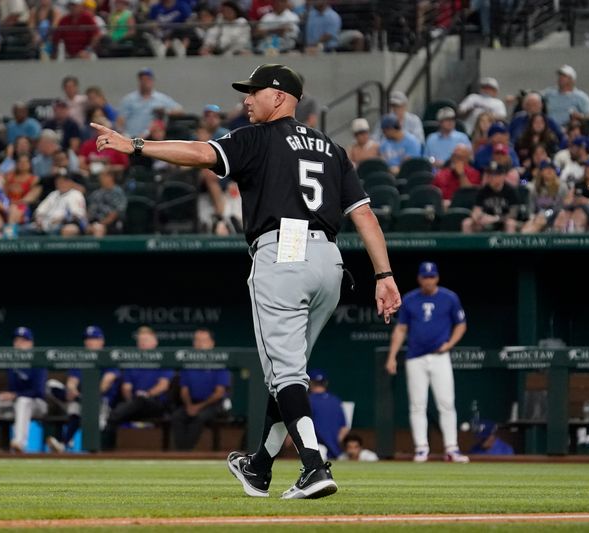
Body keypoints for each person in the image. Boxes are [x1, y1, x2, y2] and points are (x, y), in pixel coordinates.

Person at [90, 64, 400, 499]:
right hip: (330, 260)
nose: (246, 99)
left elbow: (200, 154)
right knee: (285, 373)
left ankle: (314, 465)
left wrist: (136, 145)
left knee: (285, 372)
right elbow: (363, 214)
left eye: (254, 91)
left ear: (279, 97)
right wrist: (384, 275)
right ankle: (259, 468)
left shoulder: (257, 137)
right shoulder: (331, 147)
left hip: (283, 252)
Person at [385, 262, 469, 463]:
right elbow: (401, 329)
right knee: (417, 404)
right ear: (419, 278)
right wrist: (392, 356)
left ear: (437, 278)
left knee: (446, 403)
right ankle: (421, 448)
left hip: (440, 356)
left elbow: (461, 325)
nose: (428, 280)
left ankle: (451, 448)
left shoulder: (449, 297)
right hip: (416, 357)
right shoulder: (410, 299)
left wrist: (450, 344)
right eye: (425, 277)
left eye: (432, 277)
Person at [46, 326, 121, 453]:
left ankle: (66, 442)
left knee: (91, 419)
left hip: (101, 403)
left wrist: (88, 397)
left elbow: (106, 383)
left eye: (93, 338)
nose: (90, 342)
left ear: (101, 341)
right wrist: (72, 389)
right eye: (87, 339)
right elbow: (72, 381)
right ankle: (65, 443)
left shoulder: (109, 358)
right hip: (79, 400)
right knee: (52, 385)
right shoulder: (81, 358)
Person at [102, 326, 173, 451]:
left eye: (146, 340)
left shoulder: (163, 358)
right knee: (117, 414)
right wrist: (131, 400)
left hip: (156, 405)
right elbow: (126, 388)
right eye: (140, 341)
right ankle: (107, 452)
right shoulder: (133, 361)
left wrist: (147, 394)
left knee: (138, 401)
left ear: (155, 341)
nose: (143, 344)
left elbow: (163, 385)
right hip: (135, 404)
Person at [171, 328, 231, 451]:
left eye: (204, 340)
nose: (200, 344)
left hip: (213, 405)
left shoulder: (220, 364)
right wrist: (189, 405)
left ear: (211, 343)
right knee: (177, 416)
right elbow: (184, 390)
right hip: (191, 402)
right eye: (197, 340)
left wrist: (198, 407)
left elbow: (219, 393)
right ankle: (179, 453)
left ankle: (186, 453)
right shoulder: (188, 364)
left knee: (199, 418)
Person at [117, 68, 183, 138]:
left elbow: (180, 110)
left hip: (151, 139)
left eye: (148, 79)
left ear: (152, 81)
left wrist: (165, 111)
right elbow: (120, 120)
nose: (145, 82)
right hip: (131, 137)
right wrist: (122, 134)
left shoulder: (161, 98)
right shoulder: (129, 99)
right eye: (143, 79)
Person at [462, 162, 520, 233]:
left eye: (495, 175)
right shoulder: (483, 190)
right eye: (489, 174)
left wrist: (496, 218)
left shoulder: (510, 190)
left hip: (503, 221)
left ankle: (509, 244)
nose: (491, 178)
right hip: (486, 220)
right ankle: (471, 244)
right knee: (467, 223)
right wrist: (476, 217)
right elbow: (477, 209)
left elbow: (513, 214)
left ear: (503, 176)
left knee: (510, 223)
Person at [554, 157, 589, 233]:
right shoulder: (579, 184)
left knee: (579, 214)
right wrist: (574, 201)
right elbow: (566, 201)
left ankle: (575, 240)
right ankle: (558, 240)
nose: (587, 169)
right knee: (562, 215)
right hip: (577, 208)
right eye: (586, 166)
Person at [306, 369, 348, 461]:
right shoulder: (336, 400)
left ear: (310, 383)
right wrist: (334, 443)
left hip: (317, 450)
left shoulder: (308, 400)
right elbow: (344, 429)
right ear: (325, 383)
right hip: (337, 452)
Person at [521, 160, 567, 234]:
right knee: (529, 225)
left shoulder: (562, 187)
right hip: (538, 217)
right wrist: (532, 218)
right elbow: (531, 208)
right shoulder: (534, 188)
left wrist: (546, 215)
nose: (549, 171)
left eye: (551, 169)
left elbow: (561, 206)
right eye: (546, 168)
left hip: (556, 216)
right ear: (541, 172)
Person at [4, 153, 41, 226]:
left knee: (14, 209)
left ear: (30, 164)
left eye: (25, 162)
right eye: (20, 162)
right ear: (16, 164)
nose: (22, 164)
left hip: (23, 206)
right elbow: (3, 194)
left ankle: (10, 230)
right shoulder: (9, 178)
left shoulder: (34, 179)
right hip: (8, 205)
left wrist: (17, 202)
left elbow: (32, 197)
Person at [87, 169, 127, 236]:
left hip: (112, 224)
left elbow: (115, 214)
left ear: (111, 177)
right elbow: (90, 212)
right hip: (95, 222)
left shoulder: (117, 192)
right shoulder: (96, 193)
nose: (100, 179)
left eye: (103, 176)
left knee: (98, 229)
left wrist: (100, 224)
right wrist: (87, 225)